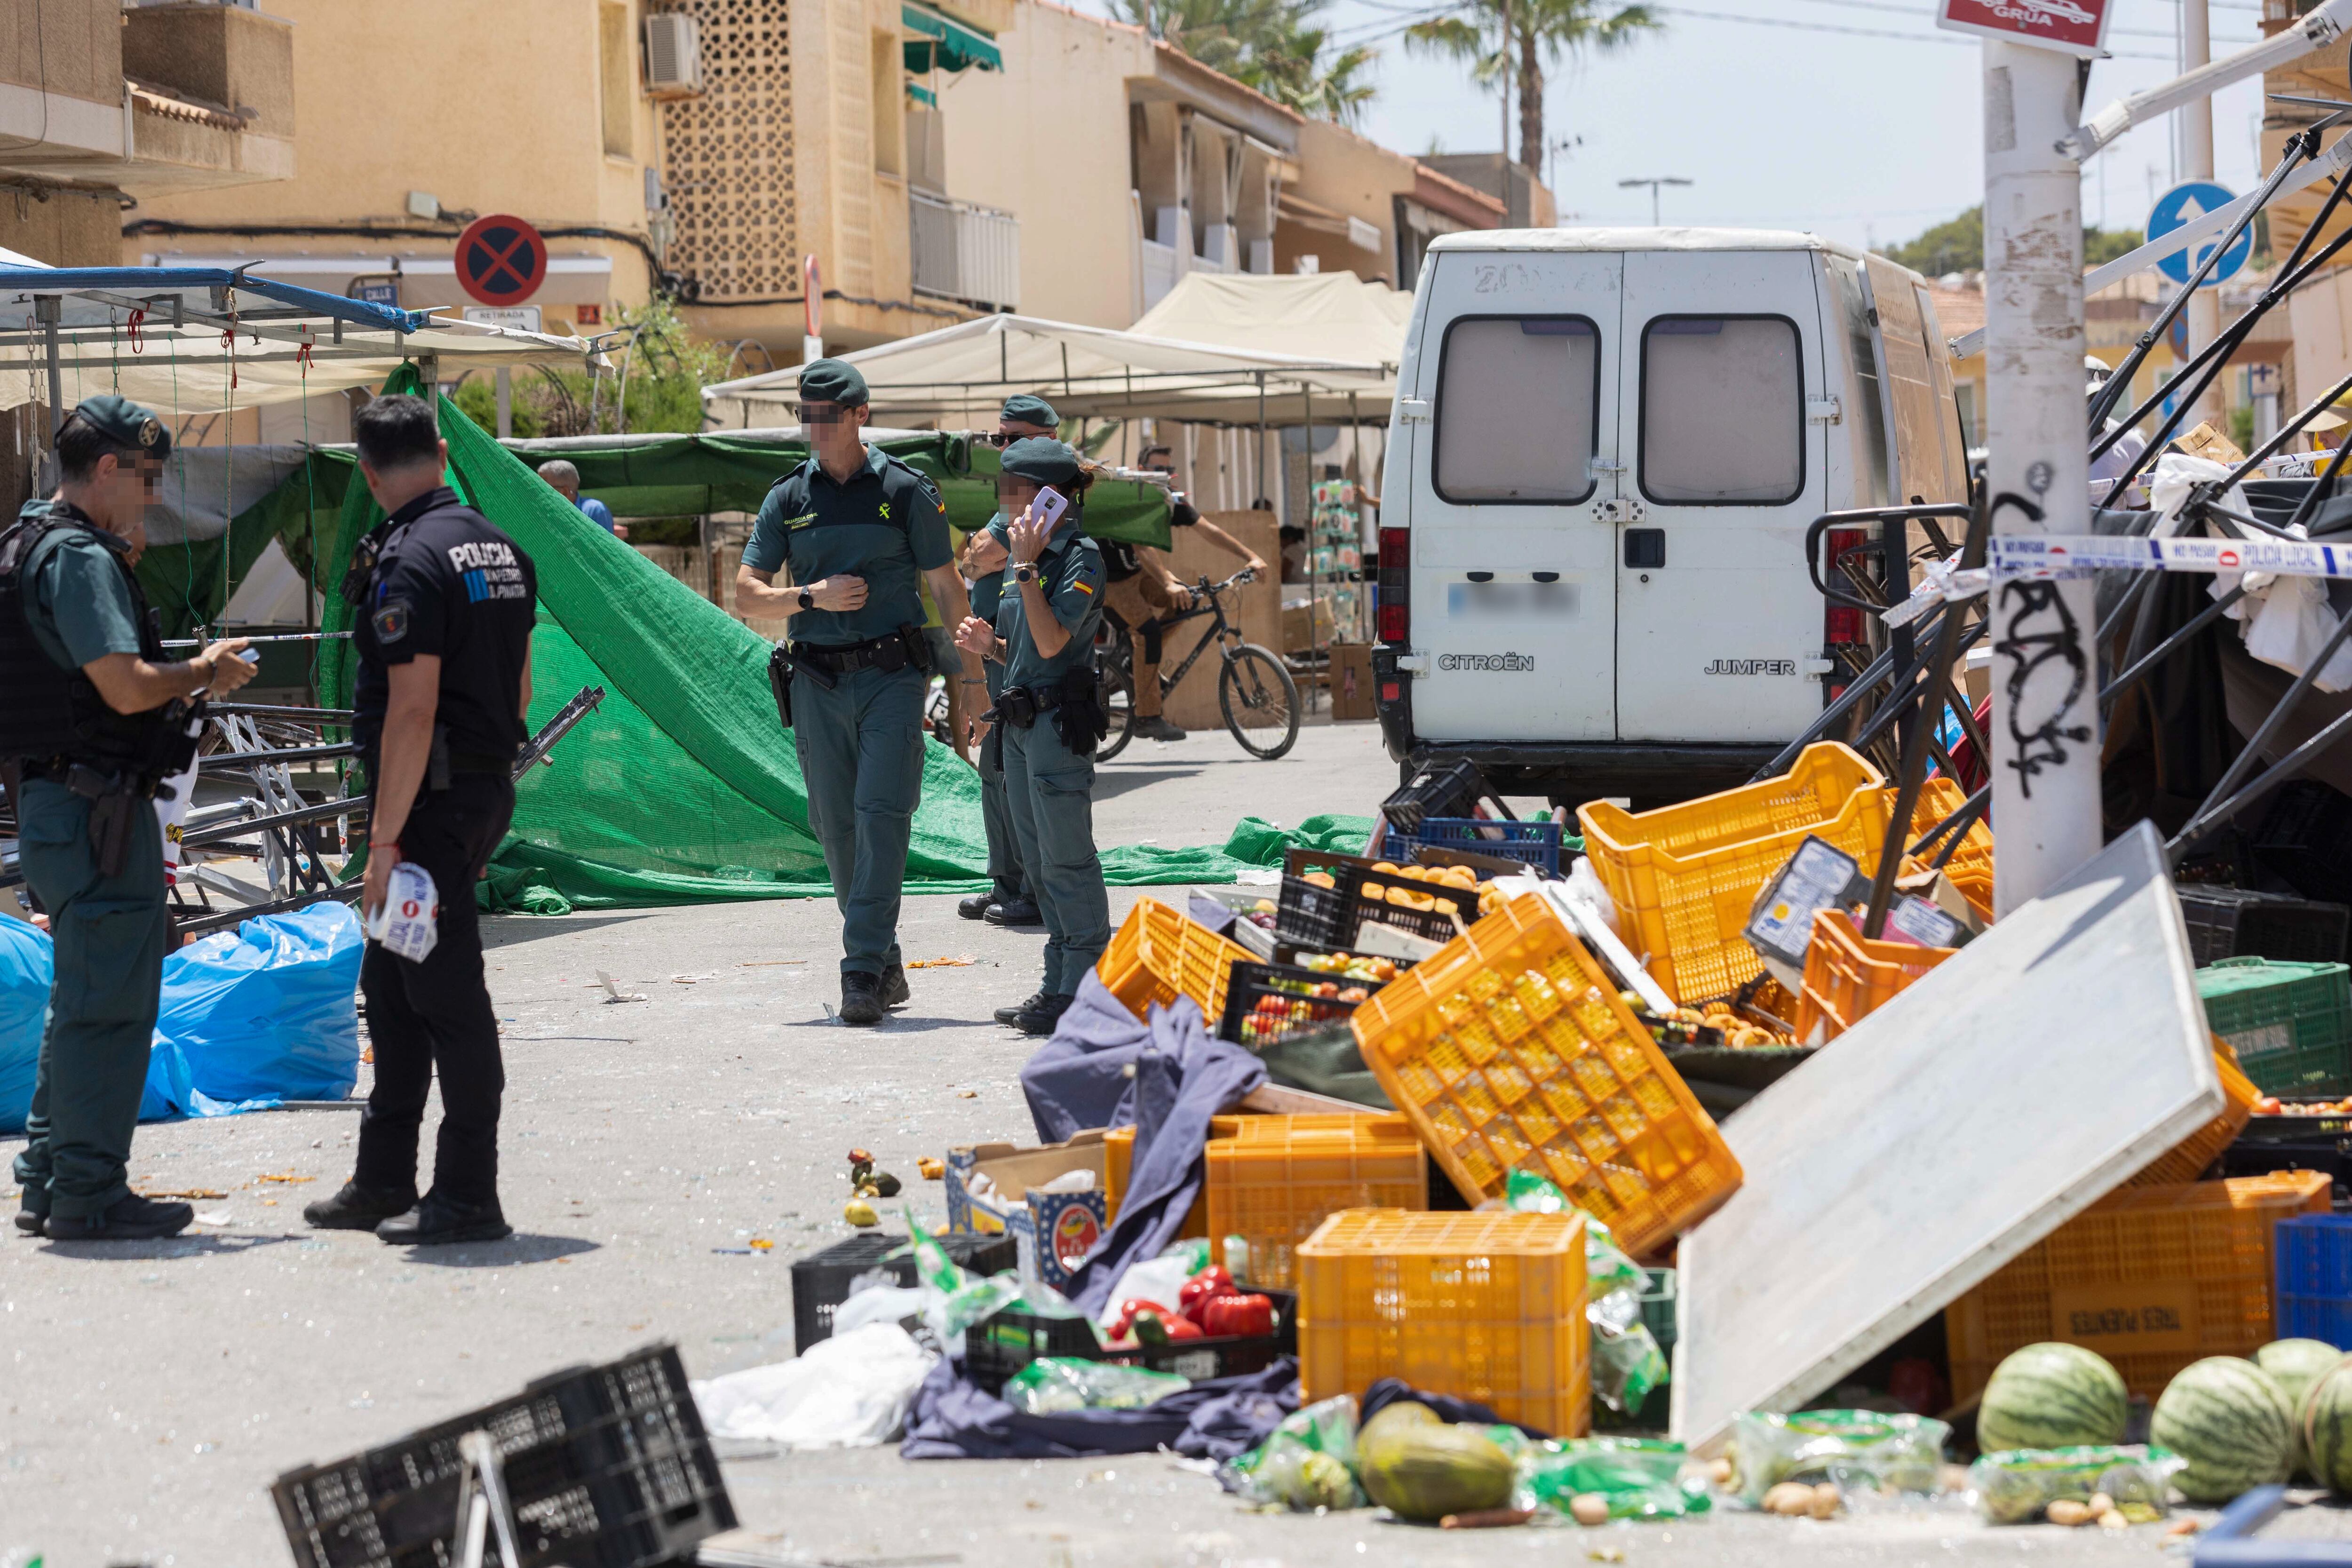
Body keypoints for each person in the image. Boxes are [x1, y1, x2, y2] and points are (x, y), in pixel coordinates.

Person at [1, 394, 257, 1241]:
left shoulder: (29, 540)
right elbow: (121, 684)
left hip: (62, 804)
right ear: (106, 468)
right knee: (110, 1003)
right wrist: (200, 672)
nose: (152, 495)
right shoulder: (76, 557)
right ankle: (86, 1189)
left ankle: (49, 1173)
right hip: (94, 810)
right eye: (146, 477)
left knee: (83, 995)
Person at [303, 393, 537, 1246]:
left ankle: (469, 1191)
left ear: (367, 472)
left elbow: (410, 709)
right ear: (442, 452)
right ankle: (383, 1178)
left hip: (426, 807)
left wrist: (383, 842)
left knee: (445, 993)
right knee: (394, 986)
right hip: (472, 793)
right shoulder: (499, 549)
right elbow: (519, 691)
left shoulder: (409, 562)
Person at [737, 359, 984, 1025]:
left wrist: (973, 684)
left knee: (881, 813)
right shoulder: (787, 498)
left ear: (859, 415)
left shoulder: (906, 490)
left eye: (825, 416)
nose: (813, 429)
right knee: (836, 828)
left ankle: (861, 969)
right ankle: (885, 959)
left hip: (892, 678)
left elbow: (946, 588)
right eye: (804, 415)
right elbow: (747, 592)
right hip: (815, 680)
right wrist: (809, 595)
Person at [955, 438, 1111, 1036]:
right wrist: (986, 647)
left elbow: (1052, 646)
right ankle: (1058, 984)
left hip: (1055, 727)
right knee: (1040, 868)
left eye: (1014, 492)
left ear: (1050, 498)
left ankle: (1085, 986)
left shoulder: (1079, 557)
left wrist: (1022, 567)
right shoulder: (1028, 559)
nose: (1005, 505)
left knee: (1067, 860)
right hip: (1018, 727)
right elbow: (1019, 649)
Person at [954, 391, 1064, 928]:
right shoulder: (1011, 501)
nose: (1001, 449)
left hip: (1027, 657)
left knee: (1023, 779)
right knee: (992, 770)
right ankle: (1006, 881)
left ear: (1046, 441)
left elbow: (983, 554)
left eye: (1012, 439)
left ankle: (1033, 888)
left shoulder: (1044, 500)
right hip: (994, 651)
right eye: (997, 439)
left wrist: (980, 551)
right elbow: (971, 556)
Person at [1101, 446, 1265, 742]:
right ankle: (1147, 718)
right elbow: (1140, 545)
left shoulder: (1165, 499)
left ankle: (1134, 662)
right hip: (1110, 584)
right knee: (1149, 632)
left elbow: (1208, 530)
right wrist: (1166, 581)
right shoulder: (1128, 495)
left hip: (1139, 574)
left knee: (1187, 599)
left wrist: (1251, 556)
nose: (1162, 476)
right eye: (1155, 469)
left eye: (1167, 470)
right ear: (1139, 468)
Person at [536, 458, 627, 540]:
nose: (537, 493)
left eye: (543, 488)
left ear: (564, 492)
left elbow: (603, 551)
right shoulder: (541, 513)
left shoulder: (594, 510)